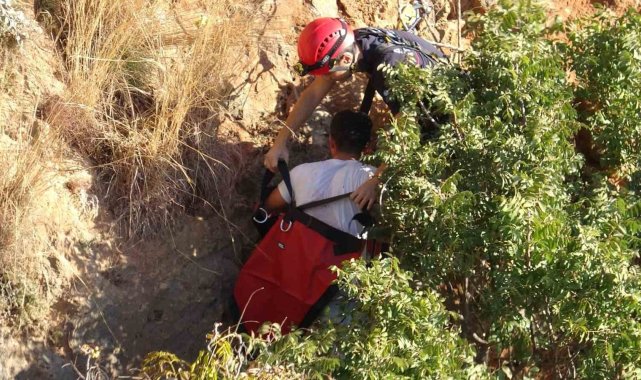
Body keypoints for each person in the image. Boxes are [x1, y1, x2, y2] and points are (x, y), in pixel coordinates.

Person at [264, 17, 446, 209]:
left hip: (449, 118)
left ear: (346, 59)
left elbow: (409, 130)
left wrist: (376, 181)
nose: (325, 79)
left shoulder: (390, 67)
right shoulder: (356, 40)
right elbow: (313, 94)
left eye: (327, 73)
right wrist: (280, 142)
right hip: (426, 100)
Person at [265, 110, 375, 237]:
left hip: (299, 251)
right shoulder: (373, 178)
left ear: (331, 142)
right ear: (367, 149)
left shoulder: (300, 172)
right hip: (346, 255)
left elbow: (270, 204)